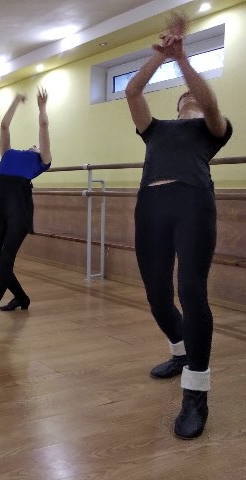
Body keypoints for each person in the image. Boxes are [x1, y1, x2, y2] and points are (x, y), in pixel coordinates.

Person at [125, 14, 232, 440]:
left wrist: (184, 59)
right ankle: (181, 350)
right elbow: (132, 92)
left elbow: (209, 101)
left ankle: (196, 393)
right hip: (150, 206)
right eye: (183, 95)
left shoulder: (211, 129)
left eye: (193, 93)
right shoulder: (155, 130)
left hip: (192, 204)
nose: (188, 95)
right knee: (156, 294)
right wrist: (160, 55)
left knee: (191, 290)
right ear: (175, 106)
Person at [0, 89, 52, 335]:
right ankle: (20, 296)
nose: (33, 145)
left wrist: (42, 107)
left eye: (36, 146)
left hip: (19, 208)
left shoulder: (42, 160)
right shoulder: (7, 154)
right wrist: (16, 101)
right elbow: (4, 126)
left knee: (6, 259)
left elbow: (43, 127)